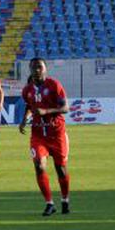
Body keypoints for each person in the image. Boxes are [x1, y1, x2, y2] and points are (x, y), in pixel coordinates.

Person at [19, 57, 71, 216]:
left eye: (39, 67)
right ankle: (49, 203)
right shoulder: (27, 90)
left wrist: (46, 111)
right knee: (39, 166)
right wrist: (23, 120)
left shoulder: (54, 85)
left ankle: (65, 199)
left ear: (45, 69)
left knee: (60, 169)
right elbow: (29, 106)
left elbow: (65, 108)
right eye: (33, 67)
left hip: (56, 134)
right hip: (38, 135)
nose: (36, 70)